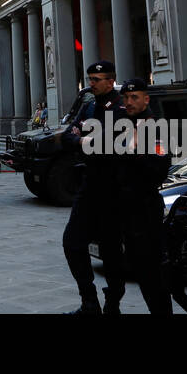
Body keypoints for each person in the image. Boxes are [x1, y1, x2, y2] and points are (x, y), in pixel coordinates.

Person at [62, 60, 127, 314]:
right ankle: (89, 301)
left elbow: (112, 144)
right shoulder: (88, 107)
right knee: (72, 242)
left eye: (96, 80)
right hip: (90, 185)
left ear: (110, 81)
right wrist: (86, 141)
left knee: (111, 250)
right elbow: (68, 136)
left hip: (113, 188)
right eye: (89, 80)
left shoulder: (122, 109)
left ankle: (113, 303)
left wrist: (86, 140)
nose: (91, 84)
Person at [116, 79, 173, 314]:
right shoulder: (124, 125)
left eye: (135, 97)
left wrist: (133, 150)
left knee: (152, 272)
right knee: (139, 269)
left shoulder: (157, 127)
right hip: (126, 207)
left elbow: (159, 168)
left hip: (145, 207)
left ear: (146, 99)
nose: (129, 102)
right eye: (126, 98)